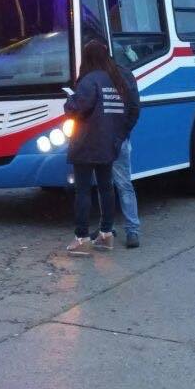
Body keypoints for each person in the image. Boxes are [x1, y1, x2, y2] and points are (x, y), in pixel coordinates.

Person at [63, 41, 131, 255]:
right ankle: (106, 236)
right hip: (109, 144)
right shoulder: (116, 81)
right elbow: (126, 111)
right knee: (106, 189)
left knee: (83, 191)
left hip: (86, 144)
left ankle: (81, 239)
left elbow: (78, 107)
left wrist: (69, 102)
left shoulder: (89, 80)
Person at [112, 63, 141, 248]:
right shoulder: (125, 73)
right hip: (120, 138)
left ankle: (107, 228)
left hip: (104, 140)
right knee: (124, 185)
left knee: (104, 186)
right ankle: (132, 231)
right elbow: (135, 108)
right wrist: (124, 133)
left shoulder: (96, 75)